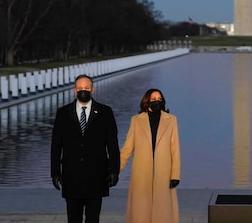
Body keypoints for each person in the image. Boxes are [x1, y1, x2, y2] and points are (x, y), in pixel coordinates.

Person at [51, 74, 120, 223]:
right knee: (73, 219)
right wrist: (55, 172)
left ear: (92, 89)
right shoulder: (62, 113)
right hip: (71, 176)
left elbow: (113, 145)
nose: (83, 91)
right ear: (74, 90)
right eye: (80, 88)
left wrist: (114, 171)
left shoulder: (105, 112)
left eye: (87, 88)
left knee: (93, 219)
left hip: (96, 176)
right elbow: (56, 146)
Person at [119, 88, 181, 223]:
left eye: (159, 99)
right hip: (141, 174)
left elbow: (175, 150)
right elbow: (127, 149)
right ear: (147, 102)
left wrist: (175, 175)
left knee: (163, 213)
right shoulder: (136, 121)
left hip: (163, 175)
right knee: (141, 214)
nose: (157, 102)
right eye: (153, 99)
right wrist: (114, 169)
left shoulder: (171, 120)